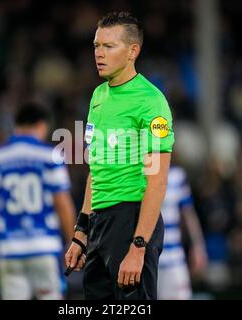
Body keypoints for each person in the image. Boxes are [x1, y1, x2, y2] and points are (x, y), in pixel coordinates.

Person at [65, 11, 175, 300]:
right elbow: (96, 170)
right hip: (99, 223)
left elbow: (158, 179)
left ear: (132, 51)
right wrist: (81, 231)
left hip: (131, 220)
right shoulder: (98, 96)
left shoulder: (152, 102)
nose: (99, 53)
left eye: (108, 46)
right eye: (96, 46)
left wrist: (138, 246)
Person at [0, 103, 76, 300]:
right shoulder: (50, 156)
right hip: (44, 246)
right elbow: (62, 203)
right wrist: (72, 242)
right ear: (41, 125)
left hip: (9, 247)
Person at [158, 165, 208, 300]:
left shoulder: (177, 175)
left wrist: (198, 247)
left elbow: (188, 214)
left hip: (174, 258)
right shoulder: (133, 171)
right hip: (143, 261)